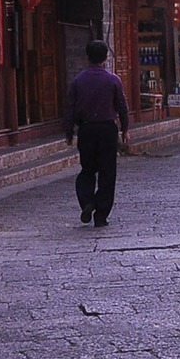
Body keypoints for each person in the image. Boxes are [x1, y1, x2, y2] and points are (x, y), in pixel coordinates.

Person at [65, 40, 129, 226]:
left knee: (87, 170)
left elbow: (70, 108)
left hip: (87, 129)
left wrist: (69, 132)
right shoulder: (113, 80)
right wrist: (125, 129)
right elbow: (122, 107)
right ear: (106, 57)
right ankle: (101, 215)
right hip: (107, 129)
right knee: (107, 173)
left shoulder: (78, 80)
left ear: (87, 57)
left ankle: (87, 201)